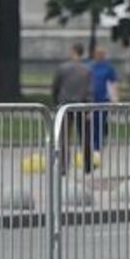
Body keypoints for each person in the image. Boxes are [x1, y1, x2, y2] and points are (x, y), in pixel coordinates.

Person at [51, 43, 93, 173]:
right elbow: (90, 90)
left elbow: (55, 87)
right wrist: (89, 108)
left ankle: (64, 165)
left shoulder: (62, 68)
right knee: (85, 136)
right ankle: (87, 165)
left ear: (73, 51)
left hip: (65, 105)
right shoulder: (87, 70)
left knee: (64, 137)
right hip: (82, 105)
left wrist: (55, 102)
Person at [89, 45, 119, 154]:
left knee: (100, 121)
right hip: (93, 99)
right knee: (94, 123)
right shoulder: (92, 67)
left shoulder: (109, 68)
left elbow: (113, 84)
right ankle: (95, 143)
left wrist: (115, 98)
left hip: (104, 99)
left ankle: (98, 145)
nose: (99, 56)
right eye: (97, 54)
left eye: (101, 54)